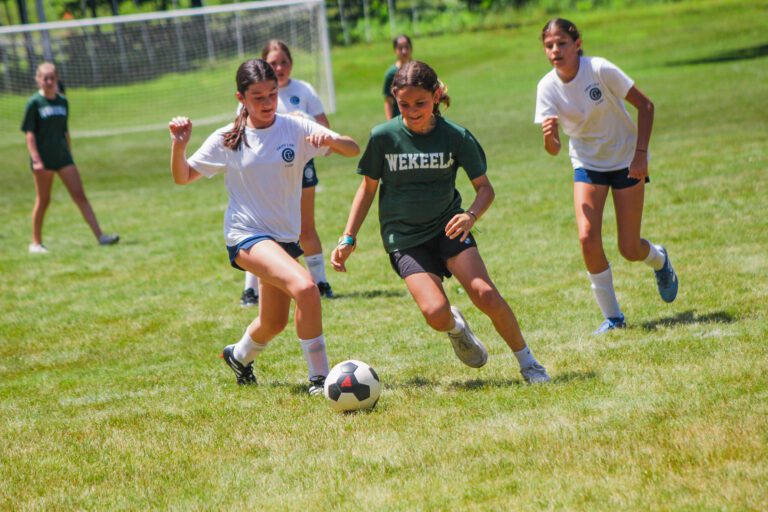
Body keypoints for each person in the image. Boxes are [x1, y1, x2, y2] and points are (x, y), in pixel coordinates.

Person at [332, 61, 551, 384]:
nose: (411, 111)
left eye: (420, 103)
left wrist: (470, 215)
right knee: (435, 314)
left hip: (449, 227)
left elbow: (485, 189)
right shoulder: (383, 137)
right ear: (394, 100)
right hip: (404, 238)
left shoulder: (456, 137)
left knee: (485, 294)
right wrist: (348, 236)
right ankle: (456, 327)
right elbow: (367, 188)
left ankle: (529, 364)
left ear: (436, 96)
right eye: (403, 105)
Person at [168, 59, 359, 392]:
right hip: (247, 237)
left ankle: (238, 356)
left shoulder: (295, 127)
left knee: (273, 322)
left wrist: (329, 141)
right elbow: (183, 176)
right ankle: (319, 380)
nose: (268, 103)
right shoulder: (228, 138)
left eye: (272, 94)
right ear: (240, 98)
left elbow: (352, 148)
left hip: (284, 240)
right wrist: (179, 145)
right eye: (258, 97)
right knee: (305, 288)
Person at [534, 18, 678, 334]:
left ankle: (659, 260)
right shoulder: (546, 87)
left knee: (629, 248)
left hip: (627, 160)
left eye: (561, 43)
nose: (555, 50)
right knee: (587, 237)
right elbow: (554, 149)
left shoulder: (599, 69)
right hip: (587, 163)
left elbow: (647, 106)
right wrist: (549, 136)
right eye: (549, 45)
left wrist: (641, 155)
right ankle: (614, 318)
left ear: (578, 43)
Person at [239, 40, 335, 307]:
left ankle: (320, 281)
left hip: (299, 166)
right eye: (273, 63)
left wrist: (305, 121)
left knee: (305, 225)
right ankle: (251, 290)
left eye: (284, 62)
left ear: (291, 64)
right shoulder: (255, 94)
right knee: (260, 229)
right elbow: (241, 130)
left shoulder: (303, 90)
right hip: (262, 170)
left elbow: (326, 130)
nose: (279, 68)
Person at [21, 62, 119, 253]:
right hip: (44, 161)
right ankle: (35, 243)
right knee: (44, 200)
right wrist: (36, 159)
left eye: (52, 78)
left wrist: (69, 151)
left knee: (79, 195)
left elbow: (64, 131)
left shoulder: (63, 102)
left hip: (64, 158)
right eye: (45, 78)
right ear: (38, 80)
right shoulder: (34, 103)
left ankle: (101, 236)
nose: (49, 82)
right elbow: (30, 134)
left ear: (57, 79)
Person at [383, 34, 413, 120]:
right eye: (400, 48)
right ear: (395, 50)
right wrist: (390, 122)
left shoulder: (418, 69)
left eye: (407, 47)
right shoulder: (391, 73)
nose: (404, 51)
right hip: (399, 118)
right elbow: (388, 100)